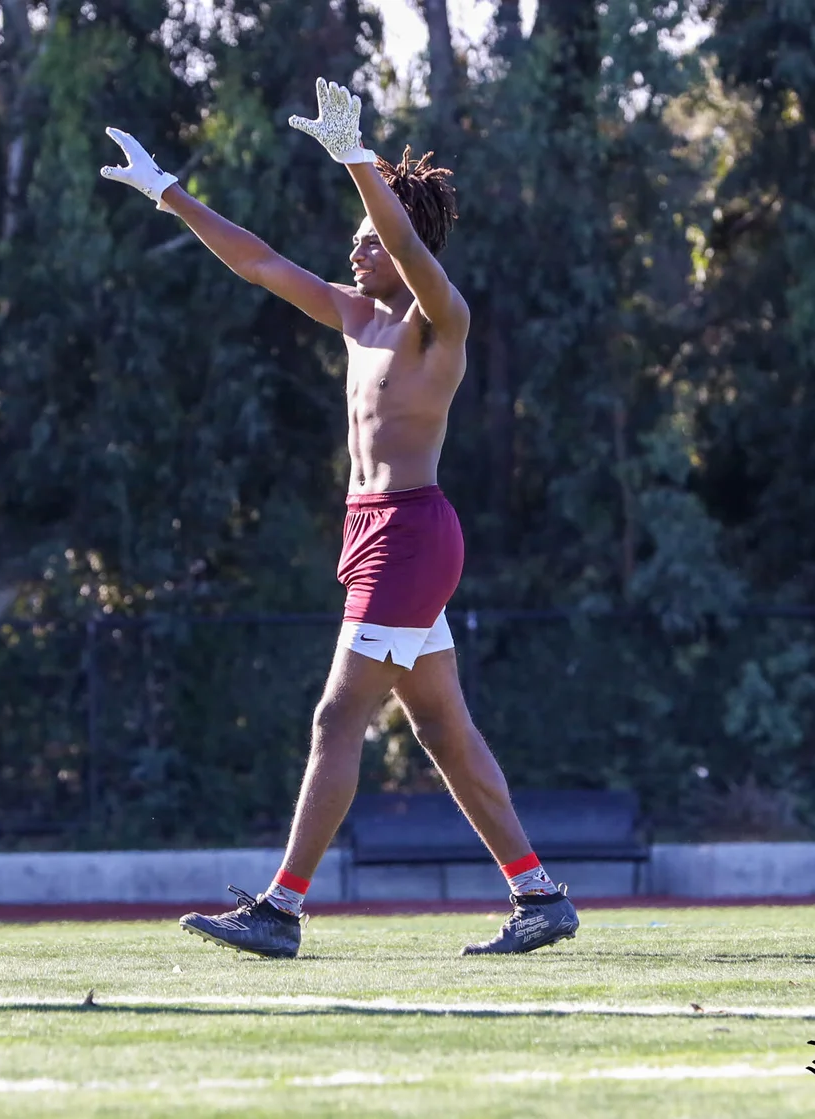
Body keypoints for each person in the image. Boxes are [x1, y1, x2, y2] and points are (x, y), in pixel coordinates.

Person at [100, 78, 580, 958]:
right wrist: (167, 190)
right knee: (442, 728)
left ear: (402, 245)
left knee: (335, 717)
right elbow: (259, 263)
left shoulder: (440, 319)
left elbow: (405, 241)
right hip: (371, 535)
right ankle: (539, 894)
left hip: (410, 536)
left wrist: (358, 160)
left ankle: (280, 909)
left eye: (369, 240)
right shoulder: (356, 317)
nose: (356, 251)